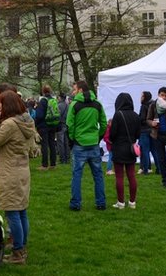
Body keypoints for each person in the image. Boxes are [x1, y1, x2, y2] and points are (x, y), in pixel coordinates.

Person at [0, 89, 38, 264]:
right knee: (21, 211)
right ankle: (21, 246)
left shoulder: (9, 125)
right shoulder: (27, 121)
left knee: (12, 212)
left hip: (10, 172)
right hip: (22, 170)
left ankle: (18, 252)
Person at [66, 80, 108, 211]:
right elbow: (104, 124)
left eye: (74, 89)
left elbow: (69, 125)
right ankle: (101, 202)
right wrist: (98, 137)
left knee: (77, 175)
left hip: (79, 144)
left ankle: (75, 204)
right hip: (93, 143)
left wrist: (73, 139)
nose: (73, 92)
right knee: (98, 175)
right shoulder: (97, 104)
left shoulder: (74, 105)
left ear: (79, 90)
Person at [108, 92, 142, 208]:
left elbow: (112, 134)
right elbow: (138, 134)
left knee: (119, 176)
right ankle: (132, 202)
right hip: (131, 148)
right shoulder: (136, 115)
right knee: (131, 175)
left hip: (119, 147)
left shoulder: (118, 115)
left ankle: (121, 202)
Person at [34, 85, 58, 171]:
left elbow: (39, 115)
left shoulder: (43, 101)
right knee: (52, 144)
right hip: (52, 124)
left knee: (44, 145)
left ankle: (44, 165)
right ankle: (53, 163)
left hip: (44, 125)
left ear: (43, 92)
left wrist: (36, 124)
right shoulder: (53, 100)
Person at [137, 91, 153, 175]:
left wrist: (137, 118)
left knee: (144, 151)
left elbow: (142, 119)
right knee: (152, 150)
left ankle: (145, 169)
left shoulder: (143, 106)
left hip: (144, 131)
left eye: (142, 96)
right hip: (151, 130)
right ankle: (150, 167)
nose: (141, 98)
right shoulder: (151, 105)